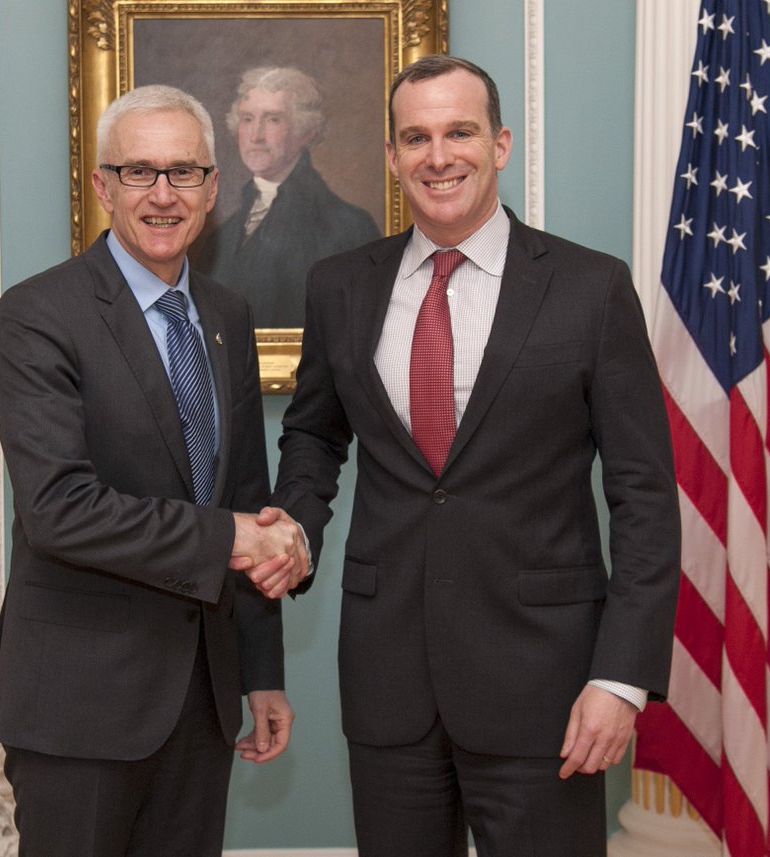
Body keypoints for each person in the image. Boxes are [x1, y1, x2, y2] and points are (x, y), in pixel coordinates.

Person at [272, 56, 680, 856]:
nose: (438, 156)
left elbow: (645, 494)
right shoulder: (340, 286)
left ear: (499, 144)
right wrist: (295, 528)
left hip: (548, 685)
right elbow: (315, 434)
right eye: (416, 137)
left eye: (459, 132)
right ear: (393, 156)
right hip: (389, 681)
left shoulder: (591, 288)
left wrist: (621, 676)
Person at [0, 84, 309, 857]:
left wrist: (261, 671)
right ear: (103, 185)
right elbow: (59, 508)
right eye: (139, 172)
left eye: (184, 172)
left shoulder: (225, 314)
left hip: (202, 697)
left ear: (212, 188)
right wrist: (229, 537)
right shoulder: (39, 313)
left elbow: (246, 497)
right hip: (78, 703)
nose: (163, 194)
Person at [192, 66, 380, 327]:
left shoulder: (348, 227)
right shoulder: (221, 234)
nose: (256, 136)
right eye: (247, 119)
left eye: (273, 119)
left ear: (305, 131)